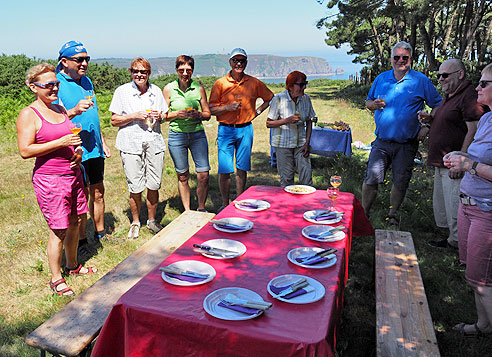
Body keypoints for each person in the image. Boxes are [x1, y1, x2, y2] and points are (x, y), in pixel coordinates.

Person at [17, 63, 97, 296]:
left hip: (72, 174)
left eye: (56, 84)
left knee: (75, 222)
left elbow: (73, 138)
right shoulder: (29, 114)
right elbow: (25, 150)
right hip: (50, 179)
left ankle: (72, 266)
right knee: (59, 229)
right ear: (33, 87)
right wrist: (59, 144)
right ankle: (55, 278)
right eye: (48, 85)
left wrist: (79, 153)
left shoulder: (60, 109)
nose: (54, 88)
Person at [363, 41, 441, 224]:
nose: (400, 61)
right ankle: (364, 214)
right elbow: (367, 102)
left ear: (411, 59)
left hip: (406, 143)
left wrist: (427, 126)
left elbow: (438, 106)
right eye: (396, 57)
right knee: (371, 178)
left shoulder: (421, 81)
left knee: (400, 181)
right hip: (381, 142)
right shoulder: (381, 78)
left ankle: (393, 215)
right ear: (391, 59)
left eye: (404, 57)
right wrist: (373, 105)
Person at [443, 63, 492, 336]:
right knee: (475, 278)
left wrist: (470, 165)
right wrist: (459, 159)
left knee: (482, 281)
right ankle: (483, 326)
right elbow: (475, 157)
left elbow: (476, 164)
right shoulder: (486, 119)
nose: (477, 87)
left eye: (484, 83)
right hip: (469, 205)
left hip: (487, 212)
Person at [422, 59, 485, 249]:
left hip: (455, 164)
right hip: (443, 161)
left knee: (455, 206)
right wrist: (430, 119)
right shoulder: (450, 95)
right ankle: (451, 238)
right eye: (439, 75)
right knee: (446, 206)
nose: (440, 79)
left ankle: (459, 245)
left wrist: (463, 159)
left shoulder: (468, 96)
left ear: (460, 74)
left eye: (445, 75)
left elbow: (473, 129)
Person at [55, 41, 111, 250]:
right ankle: (80, 241)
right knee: (80, 195)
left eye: (87, 59)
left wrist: (103, 141)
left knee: (98, 190)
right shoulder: (56, 84)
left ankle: (100, 233)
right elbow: (52, 119)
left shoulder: (87, 81)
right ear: (64, 61)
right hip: (75, 149)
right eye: (79, 59)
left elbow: (94, 116)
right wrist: (74, 111)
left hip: (94, 147)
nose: (85, 63)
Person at [109, 57, 168, 238]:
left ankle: (151, 220)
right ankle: (135, 221)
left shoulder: (156, 91)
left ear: (149, 73)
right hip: (131, 143)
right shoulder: (122, 92)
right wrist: (135, 116)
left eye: (143, 71)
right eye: (136, 71)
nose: (139, 74)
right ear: (131, 72)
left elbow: (165, 114)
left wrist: (161, 116)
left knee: (154, 183)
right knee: (135, 186)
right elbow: (114, 120)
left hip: (153, 141)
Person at [209, 48, 274, 211]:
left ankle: (239, 202)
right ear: (230, 62)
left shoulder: (253, 82)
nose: (239, 64)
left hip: (245, 129)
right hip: (225, 130)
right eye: (235, 60)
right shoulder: (220, 83)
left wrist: (256, 112)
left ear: (246, 62)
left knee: (242, 167)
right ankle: (225, 204)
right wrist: (228, 107)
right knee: (224, 169)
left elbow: (270, 98)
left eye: (242, 61)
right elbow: (210, 110)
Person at [163, 55, 211, 212]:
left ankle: (201, 208)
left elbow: (208, 114)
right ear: (176, 70)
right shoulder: (169, 89)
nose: (185, 73)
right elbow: (163, 116)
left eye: (188, 70)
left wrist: (199, 114)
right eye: (182, 70)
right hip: (177, 136)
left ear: (192, 71)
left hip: (197, 135)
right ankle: (187, 211)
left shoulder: (199, 88)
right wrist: (177, 114)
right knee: (183, 176)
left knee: (203, 174)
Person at [266, 71, 315, 187]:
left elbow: (309, 121)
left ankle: (307, 204)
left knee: (307, 178)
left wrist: (307, 143)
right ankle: (288, 204)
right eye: (301, 84)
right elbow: (269, 123)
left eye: (305, 83)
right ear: (291, 86)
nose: (304, 87)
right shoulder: (278, 99)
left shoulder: (306, 99)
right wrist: (286, 120)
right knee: (287, 180)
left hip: (301, 144)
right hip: (283, 145)